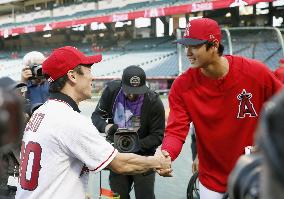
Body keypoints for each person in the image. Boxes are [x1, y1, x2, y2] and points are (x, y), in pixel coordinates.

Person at [15, 46, 171, 199]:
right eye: (88, 70)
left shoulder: (42, 111)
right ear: (73, 76)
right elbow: (120, 164)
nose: (92, 77)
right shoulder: (71, 121)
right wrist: (156, 162)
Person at [156, 18, 283, 199]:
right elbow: (176, 130)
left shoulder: (256, 73)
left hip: (255, 174)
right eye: (186, 46)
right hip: (212, 180)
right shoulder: (181, 86)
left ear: (214, 45)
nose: (188, 52)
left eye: (195, 46)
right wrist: (167, 153)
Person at [92, 65, 165, 199]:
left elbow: (157, 136)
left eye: (137, 91)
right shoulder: (112, 91)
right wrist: (107, 128)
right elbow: (96, 117)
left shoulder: (153, 101)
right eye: (128, 91)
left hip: (143, 158)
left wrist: (134, 145)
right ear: (122, 85)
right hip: (117, 157)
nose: (132, 95)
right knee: (118, 196)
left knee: (145, 196)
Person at [0, 78, 25, 199]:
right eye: (13, 92)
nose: (19, 95)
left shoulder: (24, 113)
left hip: (18, 180)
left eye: (20, 91)